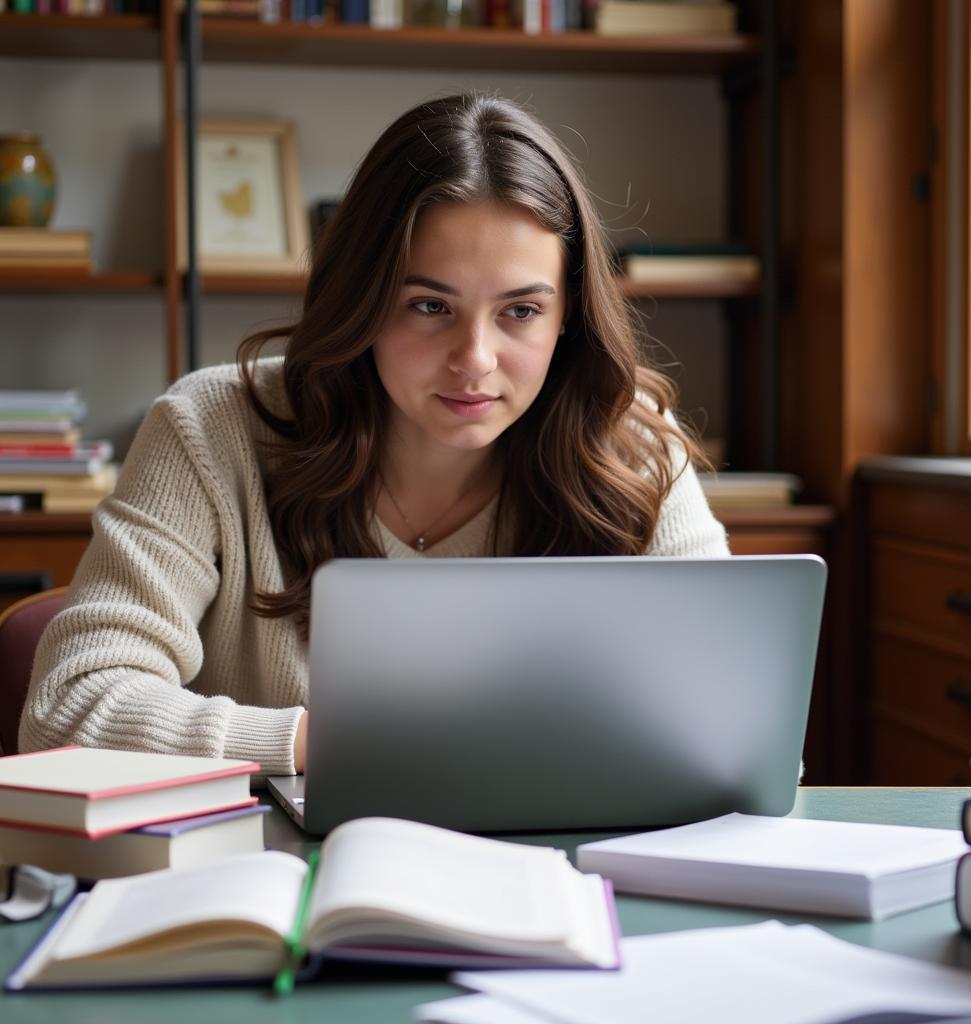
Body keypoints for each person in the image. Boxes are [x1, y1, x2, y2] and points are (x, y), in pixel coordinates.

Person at [20, 93, 729, 775]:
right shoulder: (209, 428)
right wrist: (325, 742)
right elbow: (67, 709)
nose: (474, 360)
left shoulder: (630, 443)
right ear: (362, 298)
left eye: (519, 312)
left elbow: (734, 726)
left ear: (567, 315)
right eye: (429, 305)